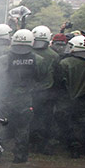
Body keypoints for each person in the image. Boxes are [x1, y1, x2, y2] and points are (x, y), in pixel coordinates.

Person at [0, 29, 47, 164]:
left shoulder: (3, 60)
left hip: (5, 99)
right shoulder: (38, 60)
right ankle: (20, 157)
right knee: (22, 129)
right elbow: (41, 79)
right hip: (25, 100)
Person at [53, 35, 85, 158]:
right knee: (83, 123)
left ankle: (72, 146)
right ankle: (82, 146)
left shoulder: (65, 63)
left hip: (67, 97)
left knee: (69, 122)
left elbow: (58, 82)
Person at [30, 25, 60, 154]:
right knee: (45, 119)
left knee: (31, 118)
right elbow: (58, 75)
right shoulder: (54, 55)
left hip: (30, 91)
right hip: (47, 91)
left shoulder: (28, 52)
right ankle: (42, 144)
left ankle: (31, 142)